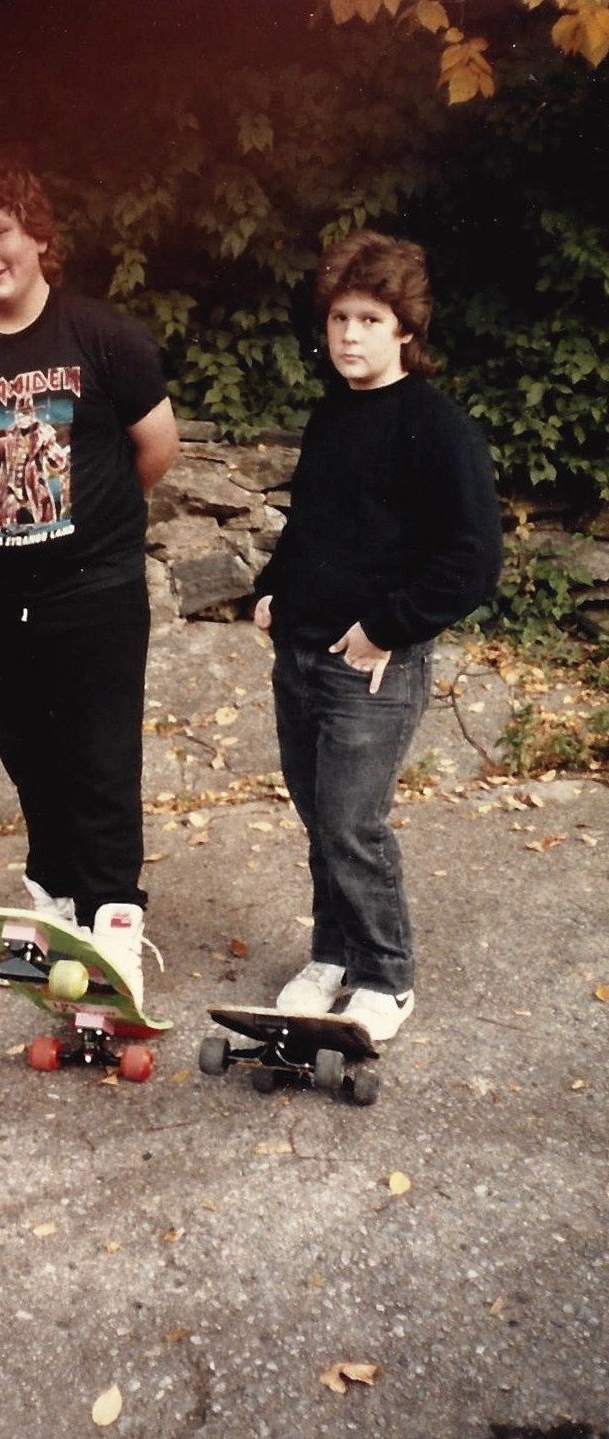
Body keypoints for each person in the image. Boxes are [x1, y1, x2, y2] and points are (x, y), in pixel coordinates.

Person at [0, 156, 179, 1005]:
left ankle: (114, 919)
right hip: (3, 587)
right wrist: (1, 519)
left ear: (37, 237)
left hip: (96, 588)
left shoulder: (102, 336)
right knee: (28, 750)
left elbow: (155, 449)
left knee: (100, 755)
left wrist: (89, 521)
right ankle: (55, 898)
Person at [253, 229, 502, 1043]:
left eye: (368, 319)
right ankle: (332, 955)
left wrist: (385, 628)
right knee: (318, 818)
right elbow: (312, 523)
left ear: (404, 329)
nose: (349, 335)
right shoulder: (332, 416)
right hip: (300, 654)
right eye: (338, 318)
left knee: (351, 825)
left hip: (371, 666)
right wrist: (272, 589)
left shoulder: (435, 425)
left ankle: (385, 976)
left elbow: (471, 559)